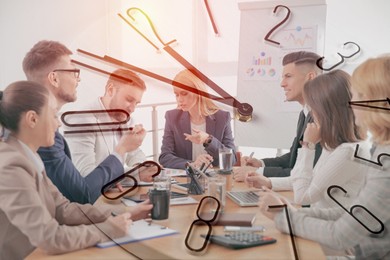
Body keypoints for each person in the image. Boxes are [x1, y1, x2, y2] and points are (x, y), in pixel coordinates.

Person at [0, 81, 152, 259]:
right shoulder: (11, 166)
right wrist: (110, 229)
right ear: (32, 119)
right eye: (54, 115)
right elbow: (50, 237)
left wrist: (125, 213)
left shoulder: (28, 157)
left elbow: (63, 209)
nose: (58, 124)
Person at [258, 56, 390, 259]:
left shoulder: (382, 162)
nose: (352, 104)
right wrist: (289, 213)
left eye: (359, 96)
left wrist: (284, 217)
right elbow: (351, 213)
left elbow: (340, 236)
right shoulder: (379, 151)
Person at [22, 40, 146, 204]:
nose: (78, 80)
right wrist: (121, 150)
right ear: (54, 78)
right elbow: (83, 193)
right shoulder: (43, 132)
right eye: (74, 72)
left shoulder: (39, 124)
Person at [246, 70, 368, 208]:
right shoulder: (333, 146)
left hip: (328, 225)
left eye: (314, 108)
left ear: (327, 111)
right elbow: (310, 179)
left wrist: (308, 146)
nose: (312, 114)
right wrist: (269, 183)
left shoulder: (348, 152)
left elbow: (303, 197)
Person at [234, 51, 322, 180]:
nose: (282, 83)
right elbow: (294, 157)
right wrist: (260, 164)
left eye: (288, 76)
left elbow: (308, 172)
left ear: (311, 77)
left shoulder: (323, 117)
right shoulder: (305, 112)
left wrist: (259, 172)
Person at [64, 68, 151, 180]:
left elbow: (134, 153)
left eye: (136, 103)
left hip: (114, 194)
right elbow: (87, 176)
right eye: (129, 100)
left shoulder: (126, 119)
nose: (133, 109)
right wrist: (136, 174)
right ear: (110, 90)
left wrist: (143, 168)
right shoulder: (81, 123)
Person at [159, 69, 236, 169]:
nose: (179, 99)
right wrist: (192, 164)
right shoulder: (172, 117)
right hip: (186, 179)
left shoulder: (222, 117)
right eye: (176, 94)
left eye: (184, 93)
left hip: (214, 179)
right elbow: (164, 157)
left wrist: (208, 140)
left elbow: (232, 159)